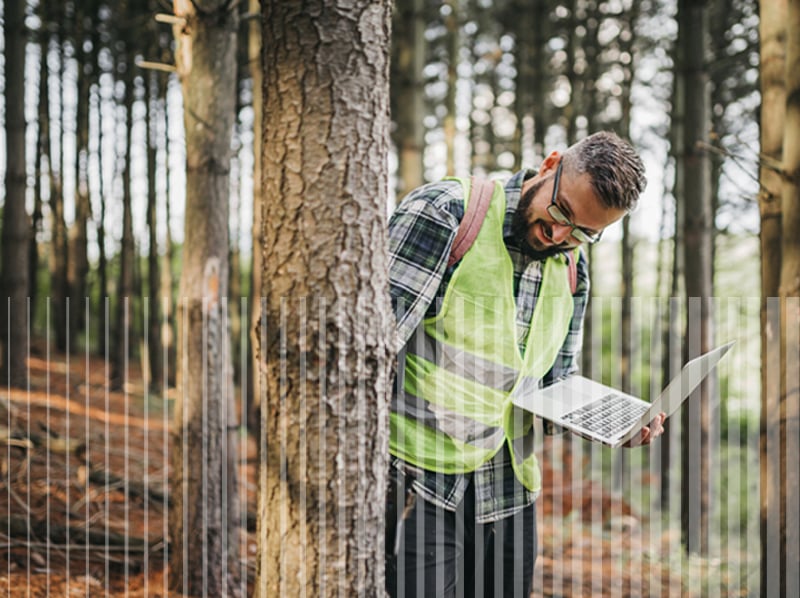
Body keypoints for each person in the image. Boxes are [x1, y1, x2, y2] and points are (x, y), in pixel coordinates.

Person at [385, 131, 666, 598]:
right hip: (419, 486)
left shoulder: (573, 267)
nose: (558, 236)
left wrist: (614, 422)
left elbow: (556, 380)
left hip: (509, 493)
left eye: (583, 233)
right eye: (561, 213)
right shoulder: (445, 214)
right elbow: (371, 349)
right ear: (550, 164)